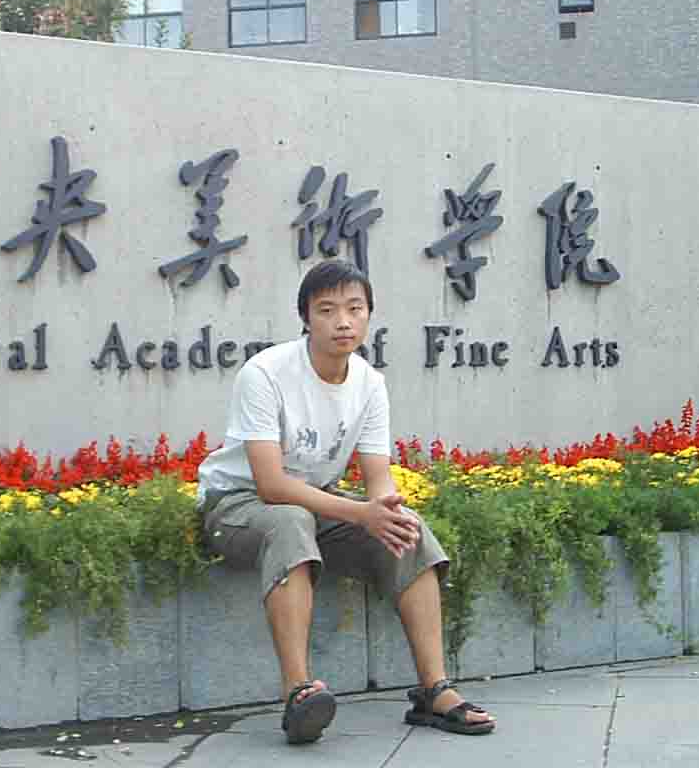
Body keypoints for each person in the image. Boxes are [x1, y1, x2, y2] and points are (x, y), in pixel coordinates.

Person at [196, 259, 497, 744]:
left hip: (316, 504)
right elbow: (270, 484)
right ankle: (299, 694)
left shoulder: (369, 383)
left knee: (407, 528)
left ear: (368, 315)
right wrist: (360, 513)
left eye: (355, 309)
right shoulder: (265, 373)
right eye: (327, 310)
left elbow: (377, 476)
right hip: (235, 505)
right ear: (305, 317)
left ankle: (434, 691)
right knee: (290, 520)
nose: (343, 321)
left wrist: (385, 510)